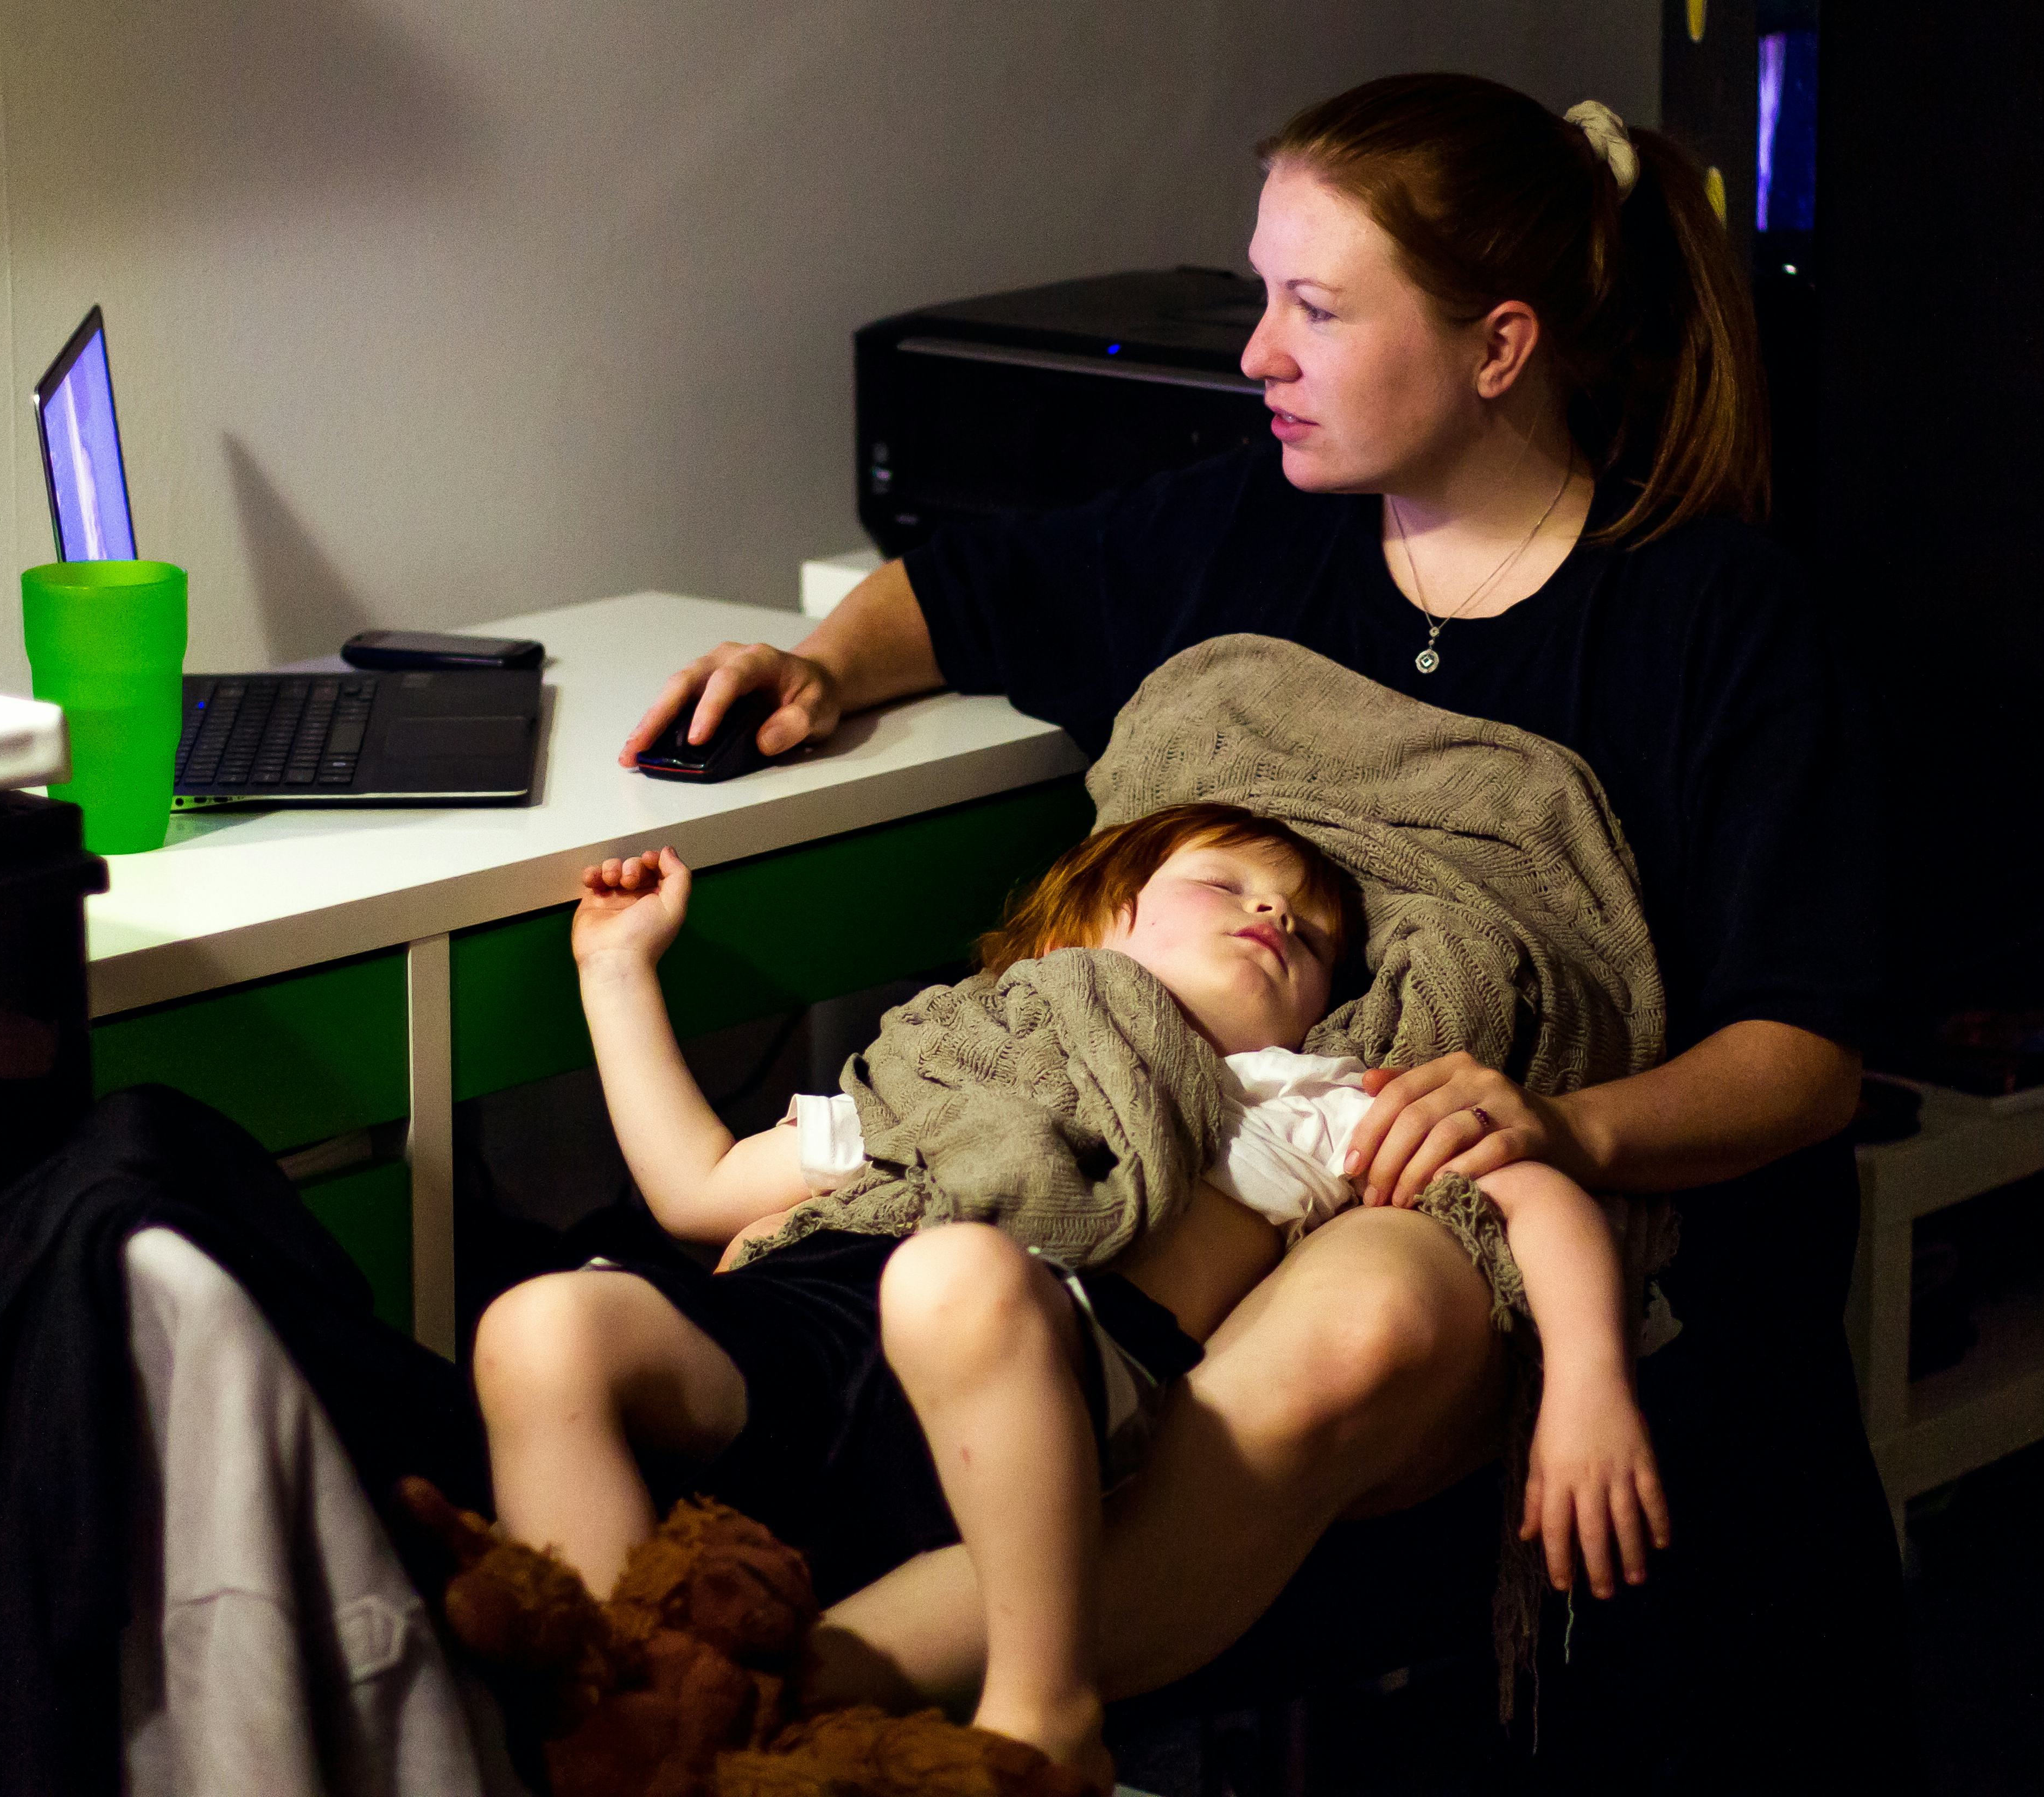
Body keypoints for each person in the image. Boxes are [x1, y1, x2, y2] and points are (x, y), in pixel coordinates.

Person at [615, 71, 1912, 1790]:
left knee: (1358, 1313)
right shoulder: (1242, 526)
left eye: (1314, 309)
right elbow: (962, 592)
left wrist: (1563, 1124)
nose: (1254, 357)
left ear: (1498, 347)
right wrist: (821, 668)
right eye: (1257, 297)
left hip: (1451, 1201)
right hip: (1174, 1172)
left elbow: (1804, 1054)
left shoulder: (1703, 614)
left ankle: (809, 1692)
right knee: (619, 1316)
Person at [472, 803, 1668, 1787]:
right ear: (1102, 917)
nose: (1273, 915)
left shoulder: (1289, 1093)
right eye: (1231, 885)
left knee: (952, 1277)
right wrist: (616, 969)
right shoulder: (960, 1049)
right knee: (541, 1324)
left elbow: (1525, 1190)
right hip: (816, 1314)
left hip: (1045, 1360)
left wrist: (1588, 1383)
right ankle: (617, 1717)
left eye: (1307, 930)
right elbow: (701, 1189)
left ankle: (1043, 1714)